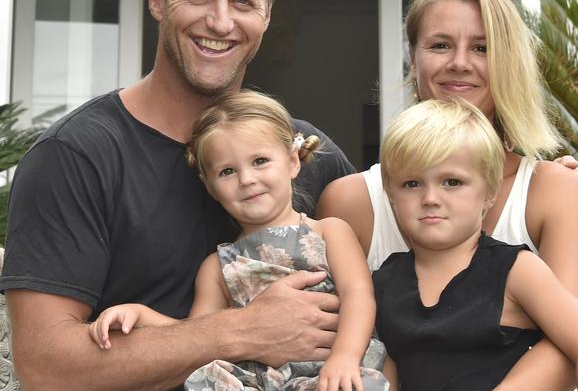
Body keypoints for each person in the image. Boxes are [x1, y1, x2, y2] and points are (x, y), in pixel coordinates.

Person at [0, 0, 355, 389]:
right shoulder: (76, 156)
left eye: (243, 2)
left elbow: (415, 277)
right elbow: (45, 368)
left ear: (267, 15)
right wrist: (241, 331)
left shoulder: (308, 154)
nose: (220, 21)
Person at [316, 0, 578, 389]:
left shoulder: (554, 191)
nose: (459, 62)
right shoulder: (351, 202)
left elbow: (574, 342)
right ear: (413, 55)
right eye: (440, 45)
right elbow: (347, 342)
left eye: (482, 47)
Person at [88, 90, 388, 391]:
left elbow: (358, 295)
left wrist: (345, 357)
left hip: (331, 370)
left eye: (260, 161)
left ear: (292, 161)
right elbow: (197, 334)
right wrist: (141, 315)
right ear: (210, 187)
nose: (246, 179)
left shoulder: (329, 232)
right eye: (228, 171)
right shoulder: (217, 267)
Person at [372, 98, 578, 391]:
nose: (430, 198)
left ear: (490, 192)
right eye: (412, 184)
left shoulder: (516, 270)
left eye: (452, 182)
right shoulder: (385, 281)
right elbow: (389, 369)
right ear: (390, 194)